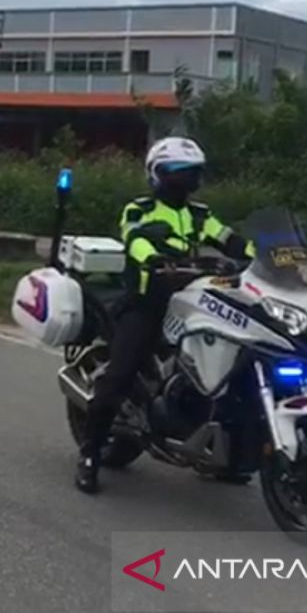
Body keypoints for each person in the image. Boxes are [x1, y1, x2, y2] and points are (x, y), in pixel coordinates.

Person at [75, 136, 252, 495]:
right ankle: (90, 453)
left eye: (192, 173)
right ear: (157, 174)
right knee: (120, 374)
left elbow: (230, 239)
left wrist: (261, 257)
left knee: (237, 361)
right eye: (177, 172)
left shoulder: (200, 215)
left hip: (191, 299)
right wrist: (153, 259)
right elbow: (134, 238)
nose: (185, 180)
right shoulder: (139, 209)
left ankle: (226, 454)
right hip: (147, 302)